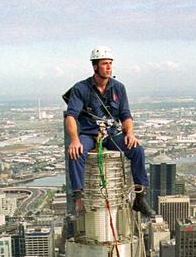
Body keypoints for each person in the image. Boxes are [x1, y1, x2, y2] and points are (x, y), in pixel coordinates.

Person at [63, 46, 154, 217]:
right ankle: (79, 199)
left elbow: (126, 115)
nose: (109, 67)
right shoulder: (81, 89)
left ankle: (140, 198)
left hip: (112, 134)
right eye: (105, 63)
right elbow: (71, 116)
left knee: (137, 150)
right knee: (76, 152)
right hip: (89, 134)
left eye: (110, 63)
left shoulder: (118, 88)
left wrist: (130, 134)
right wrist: (74, 140)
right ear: (95, 66)